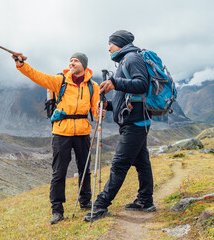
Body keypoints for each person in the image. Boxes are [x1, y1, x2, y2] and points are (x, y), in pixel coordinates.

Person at [12, 52, 100, 225]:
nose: (72, 62)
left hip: (82, 132)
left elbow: (96, 110)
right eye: (71, 60)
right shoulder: (60, 81)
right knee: (59, 172)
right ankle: (57, 210)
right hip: (61, 132)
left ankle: (85, 201)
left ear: (83, 64)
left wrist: (100, 112)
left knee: (85, 169)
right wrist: (22, 65)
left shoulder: (92, 86)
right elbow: (38, 76)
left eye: (76, 60)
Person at [84, 30, 156, 222]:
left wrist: (115, 82)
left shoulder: (132, 58)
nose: (108, 48)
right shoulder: (125, 61)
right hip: (135, 121)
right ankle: (145, 201)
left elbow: (141, 84)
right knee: (142, 162)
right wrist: (107, 105)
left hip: (135, 122)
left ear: (120, 44)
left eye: (111, 44)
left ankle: (100, 206)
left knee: (119, 164)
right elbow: (126, 96)